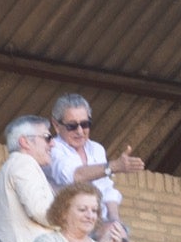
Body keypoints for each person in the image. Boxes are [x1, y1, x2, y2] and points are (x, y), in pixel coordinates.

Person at [47, 93, 143, 227]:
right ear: (56, 126)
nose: (80, 131)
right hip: (65, 225)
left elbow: (107, 190)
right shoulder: (52, 148)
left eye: (85, 124)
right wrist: (113, 166)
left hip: (96, 223)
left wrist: (114, 221)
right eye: (72, 126)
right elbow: (74, 175)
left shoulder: (97, 149)